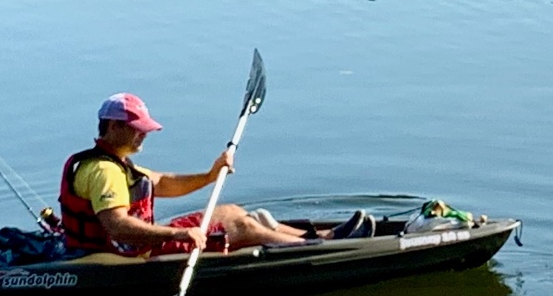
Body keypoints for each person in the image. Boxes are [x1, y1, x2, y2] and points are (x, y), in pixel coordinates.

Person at [56, 93, 373, 256]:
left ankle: (323, 238)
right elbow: (119, 226)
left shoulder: (114, 161)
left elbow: (161, 183)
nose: (144, 136)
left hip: (133, 248)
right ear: (114, 127)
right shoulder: (104, 171)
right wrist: (179, 234)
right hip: (124, 258)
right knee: (239, 226)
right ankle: (317, 252)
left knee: (233, 212)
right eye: (137, 130)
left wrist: (210, 175)